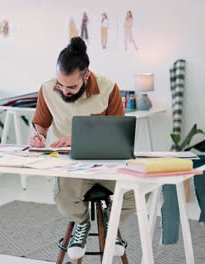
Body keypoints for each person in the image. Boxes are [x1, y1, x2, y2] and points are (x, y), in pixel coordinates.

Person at [30, 37, 136, 260]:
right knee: (62, 195)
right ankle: (82, 223)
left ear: (86, 75)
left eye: (72, 86)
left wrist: (77, 138)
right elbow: (41, 122)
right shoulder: (48, 89)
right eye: (61, 84)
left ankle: (110, 221)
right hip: (71, 165)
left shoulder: (108, 88)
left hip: (108, 161)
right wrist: (38, 135)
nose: (65, 91)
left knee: (135, 192)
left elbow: (119, 132)